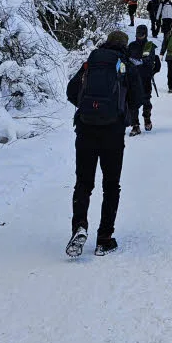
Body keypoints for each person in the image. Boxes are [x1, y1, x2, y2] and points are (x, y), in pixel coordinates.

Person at [65, 29, 145, 257]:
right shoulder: (126, 64)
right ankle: (104, 238)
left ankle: (79, 227)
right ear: (124, 46)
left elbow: (71, 92)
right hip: (113, 132)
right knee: (111, 185)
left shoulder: (91, 61)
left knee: (83, 183)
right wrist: (122, 113)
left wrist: (89, 109)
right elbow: (138, 98)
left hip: (85, 129)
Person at [126, 25, 161, 134]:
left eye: (142, 34)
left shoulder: (149, 45)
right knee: (132, 102)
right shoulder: (131, 46)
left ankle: (147, 118)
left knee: (146, 100)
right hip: (132, 77)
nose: (139, 36)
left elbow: (149, 60)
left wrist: (140, 63)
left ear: (145, 34)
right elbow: (126, 58)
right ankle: (135, 125)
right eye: (138, 34)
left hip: (145, 77)